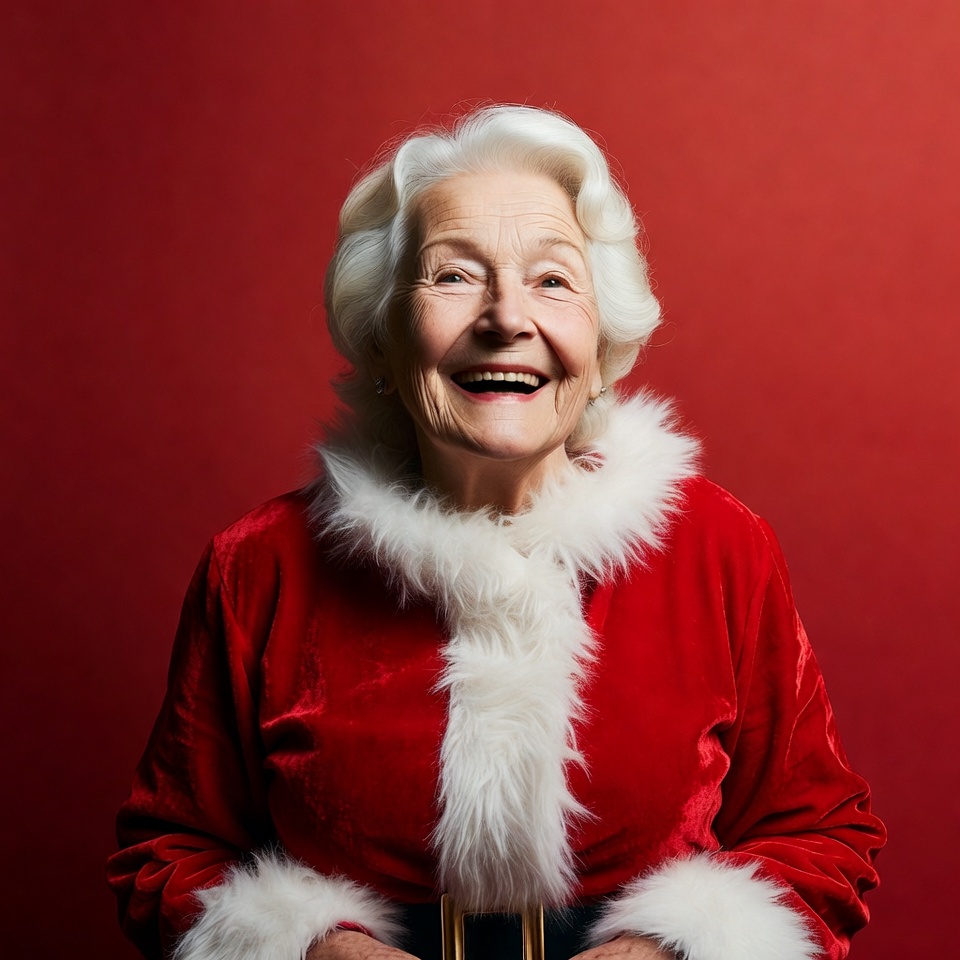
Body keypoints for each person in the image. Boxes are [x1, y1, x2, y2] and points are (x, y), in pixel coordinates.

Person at [108, 105, 885, 960]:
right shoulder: (259, 567)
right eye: (453, 277)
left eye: (553, 281)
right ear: (386, 333)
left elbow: (822, 838)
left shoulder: (720, 548)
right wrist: (312, 949)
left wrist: (668, 952)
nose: (507, 318)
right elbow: (168, 854)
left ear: (601, 338)